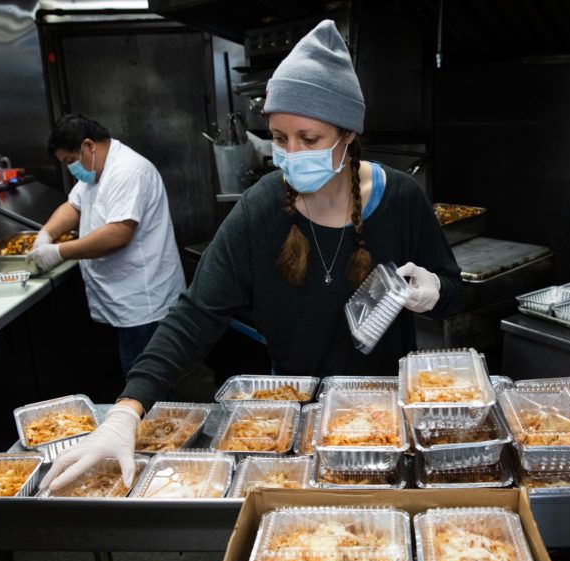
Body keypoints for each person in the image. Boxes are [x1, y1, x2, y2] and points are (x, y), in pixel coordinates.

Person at [40, 20, 461, 491]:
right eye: (280, 139)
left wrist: (435, 290)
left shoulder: (401, 198)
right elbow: (197, 312)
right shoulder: (263, 207)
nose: (291, 153)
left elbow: (452, 293)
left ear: (348, 135)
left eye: (309, 139)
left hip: (383, 411)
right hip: (293, 418)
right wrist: (125, 411)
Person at [29, 114, 185, 375]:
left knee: (146, 386)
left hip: (143, 303)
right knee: (136, 381)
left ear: (88, 145)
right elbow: (73, 205)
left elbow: (117, 234)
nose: (71, 169)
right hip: (122, 298)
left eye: (70, 161)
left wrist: (58, 252)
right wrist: (45, 235)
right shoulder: (95, 172)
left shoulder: (126, 170)